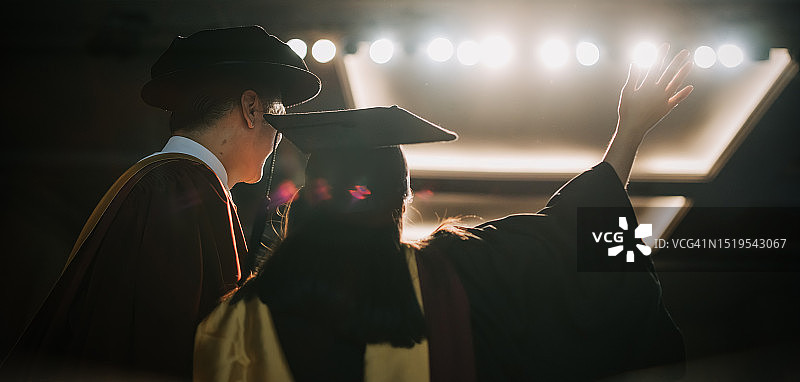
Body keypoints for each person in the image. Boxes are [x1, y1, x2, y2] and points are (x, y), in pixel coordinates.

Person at [193, 44, 692, 381]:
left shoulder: (232, 326)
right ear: (400, 203)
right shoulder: (459, 271)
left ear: (307, 202)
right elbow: (570, 243)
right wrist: (630, 132)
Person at [3, 25, 321, 380]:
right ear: (251, 108)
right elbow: (173, 345)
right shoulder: (182, 188)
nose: (279, 137)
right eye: (278, 116)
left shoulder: (166, 181)